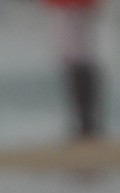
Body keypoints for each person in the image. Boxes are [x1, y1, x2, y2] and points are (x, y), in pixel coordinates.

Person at [44, 0, 105, 140]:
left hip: (73, 9)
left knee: (77, 61)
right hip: (70, 9)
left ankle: (86, 123)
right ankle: (85, 123)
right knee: (77, 61)